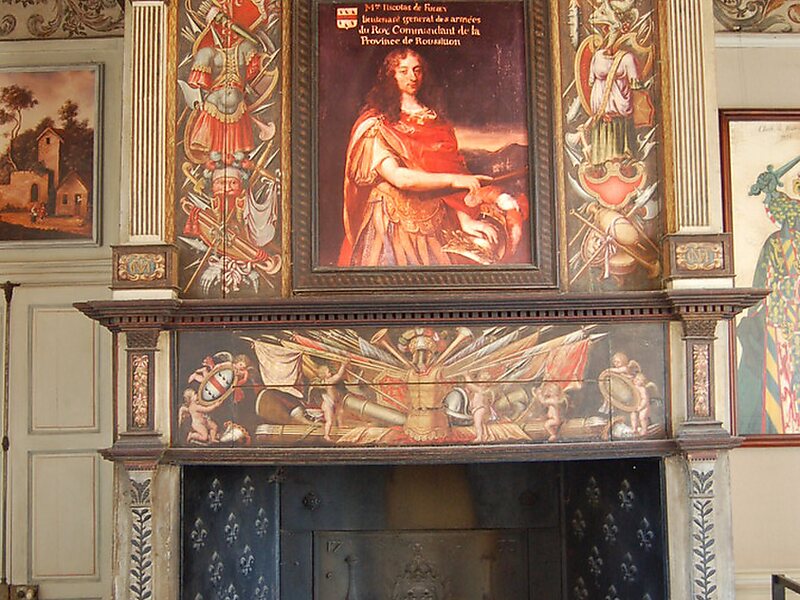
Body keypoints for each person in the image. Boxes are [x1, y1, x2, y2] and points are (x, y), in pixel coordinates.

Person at [338, 48, 524, 267]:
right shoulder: (376, 124)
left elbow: (450, 177)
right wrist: (456, 180)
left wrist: (464, 219)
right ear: (391, 75)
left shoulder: (436, 121)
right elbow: (400, 178)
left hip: (434, 218)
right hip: (391, 221)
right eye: (403, 71)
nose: (412, 77)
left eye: (417, 70)